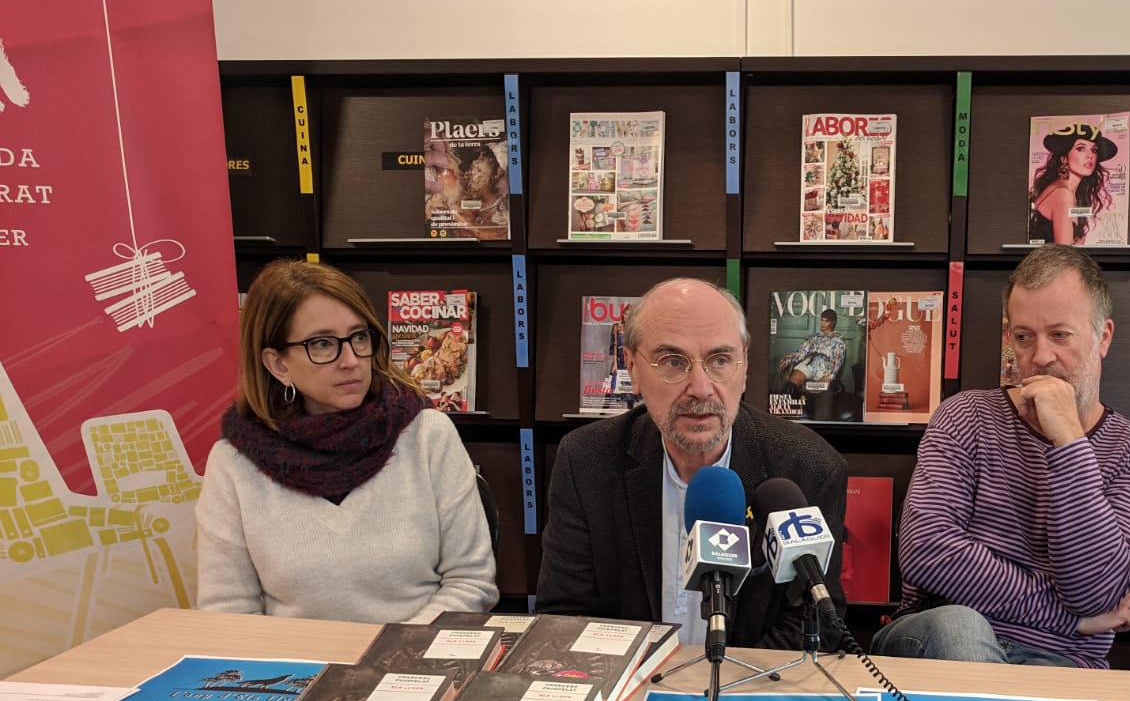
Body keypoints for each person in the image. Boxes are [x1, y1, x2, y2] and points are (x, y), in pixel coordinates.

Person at [873, 245, 1130, 668]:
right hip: (938, 639)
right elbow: (928, 552)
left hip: (1060, 661)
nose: (1041, 357)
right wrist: (1070, 620)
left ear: (1102, 337)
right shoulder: (965, 415)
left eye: (1060, 335)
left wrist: (1069, 440)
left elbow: (1095, 594)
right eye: (1023, 337)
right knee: (962, 626)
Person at [536, 278, 848, 649]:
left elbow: (815, 623)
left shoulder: (808, 467)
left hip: (750, 681)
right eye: (673, 362)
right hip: (633, 680)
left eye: (720, 360)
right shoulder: (586, 461)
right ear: (632, 366)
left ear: (745, 365)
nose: (700, 388)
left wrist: (726, 680)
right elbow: (564, 618)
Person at [196, 260, 497, 622]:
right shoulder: (234, 463)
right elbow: (227, 614)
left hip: (414, 653)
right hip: (293, 658)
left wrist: (396, 650)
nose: (351, 360)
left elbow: (471, 581)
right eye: (322, 344)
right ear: (278, 364)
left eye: (359, 337)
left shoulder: (427, 435)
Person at [1027, 128, 1124, 246]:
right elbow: (1065, 252)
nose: (1090, 155)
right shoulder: (1062, 194)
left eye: (1094, 150)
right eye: (1081, 148)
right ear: (1064, 158)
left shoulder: (1069, 192)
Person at [777, 308, 847, 397]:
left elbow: (838, 359)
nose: (823, 324)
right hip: (809, 364)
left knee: (828, 391)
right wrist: (788, 359)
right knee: (789, 388)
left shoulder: (838, 340)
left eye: (826, 321)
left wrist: (830, 376)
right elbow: (802, 352)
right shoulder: (814, 337)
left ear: (833, 323)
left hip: (824, 369)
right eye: (822, 320)